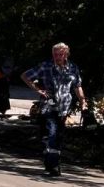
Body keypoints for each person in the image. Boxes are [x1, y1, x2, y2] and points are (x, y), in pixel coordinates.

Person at [22, 42, 88, 177]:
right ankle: (54, 165)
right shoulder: (45, 66)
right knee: (53, 133)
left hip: (64, 107)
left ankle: (50, 161)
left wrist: (83, 101)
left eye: (60, 54)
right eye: (55, 54)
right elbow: (25, 76)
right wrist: (38, 90)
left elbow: (77, 86)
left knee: (58, 136)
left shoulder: (72, 68)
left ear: (66, 54)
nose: (57, 57)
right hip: (49, 105)